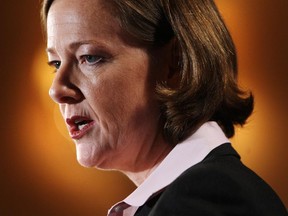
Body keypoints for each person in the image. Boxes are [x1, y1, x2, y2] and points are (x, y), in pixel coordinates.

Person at [41, 0, 288, 215]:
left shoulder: (204, 198)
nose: (56, 89)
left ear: (176, 63)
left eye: (90, 57)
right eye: (56, 62)